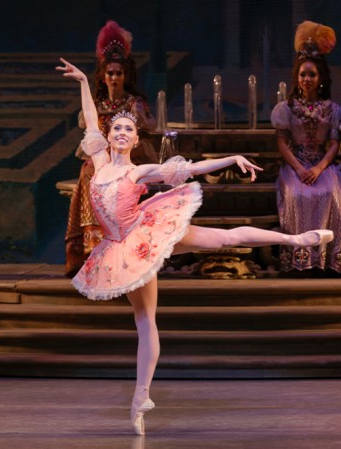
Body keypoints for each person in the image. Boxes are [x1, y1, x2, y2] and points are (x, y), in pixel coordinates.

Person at [57, 58, 333, 435]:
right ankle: (140, 400)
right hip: (122, 250)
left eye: (128, 129)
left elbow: (190, 169)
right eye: (117, 128)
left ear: (137, 140)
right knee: (145, 322)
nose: (121, 132)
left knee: (223, 238)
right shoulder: (100, 162)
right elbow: (90, 119)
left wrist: (232, 158)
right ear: (109, 136)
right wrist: (82, 83)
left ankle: (296, 238)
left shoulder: (138, 171)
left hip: (148, 231)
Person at [65, 20, 155, 277]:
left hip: (127, 161)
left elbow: (145, 139)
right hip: (98, 163)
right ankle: (89, 249)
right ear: (103, 77)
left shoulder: (134, 104)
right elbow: (91, 130)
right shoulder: (97, 104)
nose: (114, 77)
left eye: (119, 73)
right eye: (110, 73)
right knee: (88, 172)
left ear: (126, 76)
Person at [270, 20, 341, 273]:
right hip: (296, 165)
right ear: (296, 78)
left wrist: (320, 168)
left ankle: (327, 261)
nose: (307, 79)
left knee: (332, 195)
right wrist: (299, 169)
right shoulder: (287, 109)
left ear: (320, 77)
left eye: (312, 74)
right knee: (298, 196)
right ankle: (300, 261)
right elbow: (282, 142)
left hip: (323, 166)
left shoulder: (332, 110)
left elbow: (334, 144)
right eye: (303, 74)